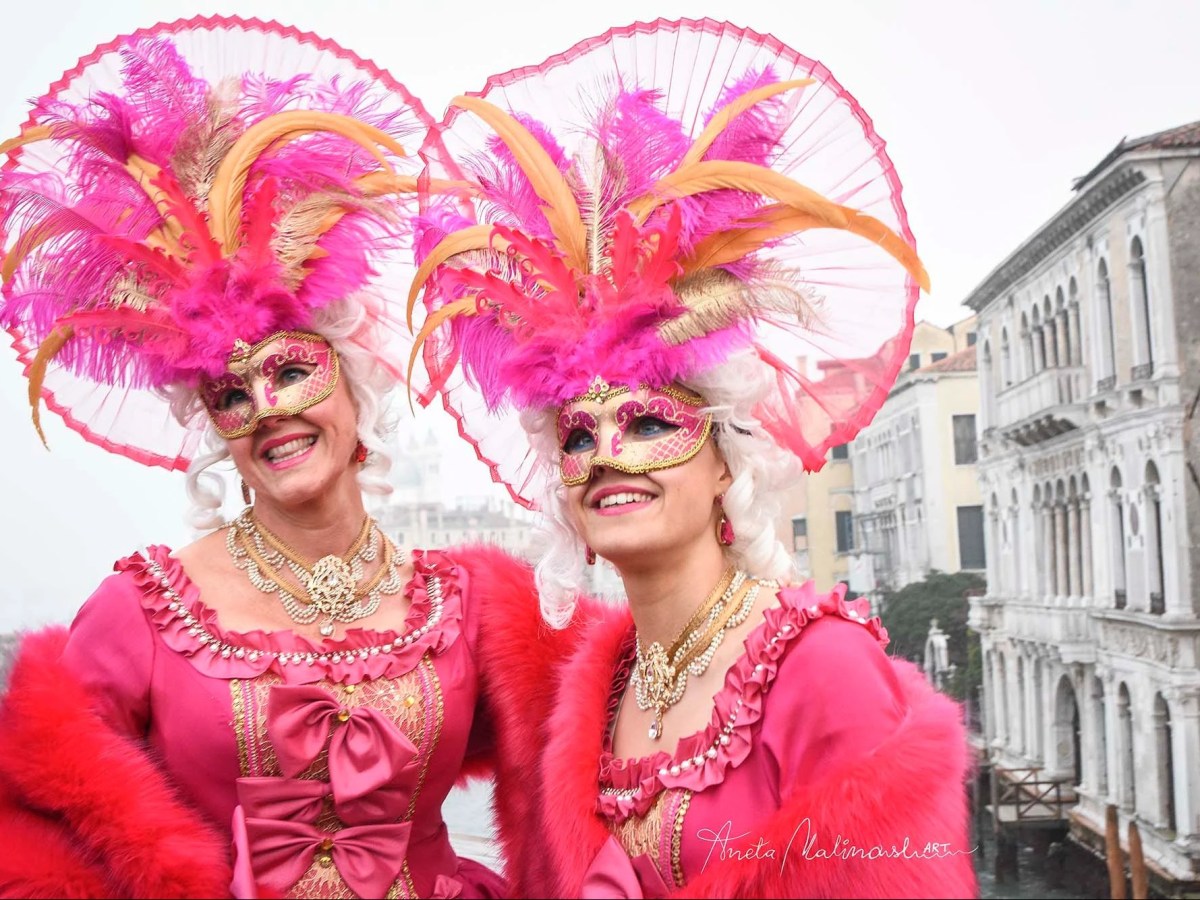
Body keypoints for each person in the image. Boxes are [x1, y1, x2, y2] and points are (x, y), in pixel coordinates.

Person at [410, 18, 980, 899]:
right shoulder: (589, 702)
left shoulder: (821, 673)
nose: (605, 455)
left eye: (646, 424)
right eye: (576, 436)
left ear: (726, 461)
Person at [0, 16, 555, 899]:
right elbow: (38, 833)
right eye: (230, 394)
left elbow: (594, 771)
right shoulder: (141, 613)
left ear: (353, 378)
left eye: (291, 372)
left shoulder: (467, 610)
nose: (266, 411)